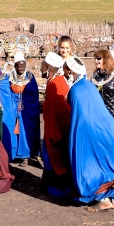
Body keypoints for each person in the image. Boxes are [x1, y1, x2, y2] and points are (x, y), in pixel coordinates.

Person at [65, 56, 114, 211]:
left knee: (92, 165)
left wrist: (77, 137)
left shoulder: (77, 90)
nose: (64, 72)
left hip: (90, 131)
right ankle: (109, 198)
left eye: (65, 69)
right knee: (105, 162)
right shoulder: (87, 85)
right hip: (106, 127)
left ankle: (103, 199)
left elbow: (79, 115)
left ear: (70, 71)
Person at [40, 52, 72, 196]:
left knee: (54, 157)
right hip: (53, 128)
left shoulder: (55, 84)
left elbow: (59, 111)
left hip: (56, 130)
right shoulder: (55, 81)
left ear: (50, 68)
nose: (41, 67)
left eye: (44, 65)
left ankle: (57, 188)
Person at [6, 51, 41, 167]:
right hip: (13, 108)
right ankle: (14, 153)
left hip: (27, 109)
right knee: (13, 130)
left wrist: (25, 101)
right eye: (19, 65)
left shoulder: (30, 78)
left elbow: (34, 93)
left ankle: (25, 156)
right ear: (15, 66)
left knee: (25, 132)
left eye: (23, 65)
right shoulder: (9, 78)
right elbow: (6, 94)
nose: (21, 68)